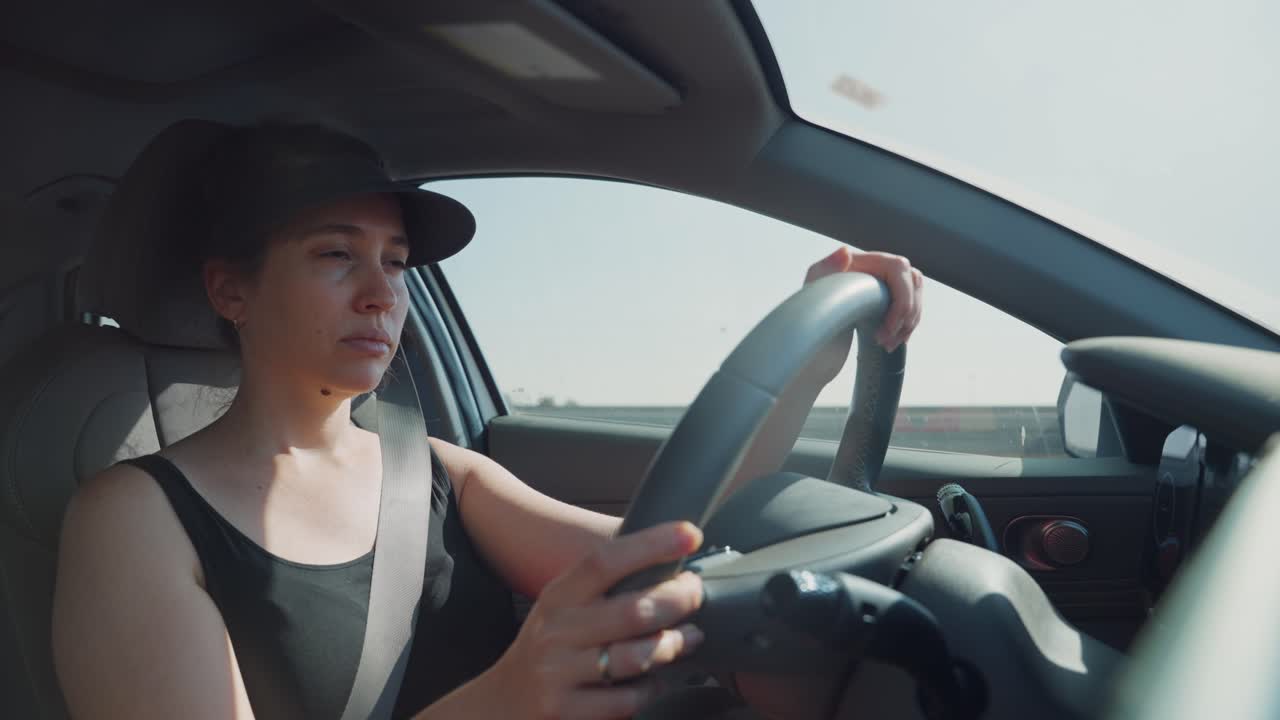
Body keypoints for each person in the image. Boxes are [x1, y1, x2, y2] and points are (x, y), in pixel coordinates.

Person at [51, 123, 924, 720]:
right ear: (229, 289)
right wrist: (506, 701)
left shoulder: (431, 469)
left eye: (394, 263)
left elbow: (658, 550)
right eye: (333, 254)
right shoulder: (130, 520)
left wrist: (808, 369)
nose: (381, 293)